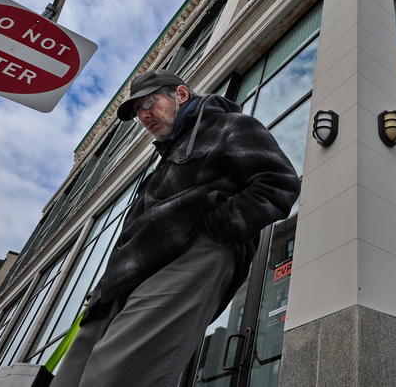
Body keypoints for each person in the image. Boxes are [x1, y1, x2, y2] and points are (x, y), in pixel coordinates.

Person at [51, 69, 301, 386]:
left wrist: (215, 231)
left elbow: (278, 184)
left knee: (116, 375)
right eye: (137, 111)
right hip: (129, 272)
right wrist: (102, 288)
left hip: (189, 255)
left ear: (180, 95)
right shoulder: (165, 157)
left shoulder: (229, 126)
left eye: (148, 104)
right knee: (71, 375)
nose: (143, 116)